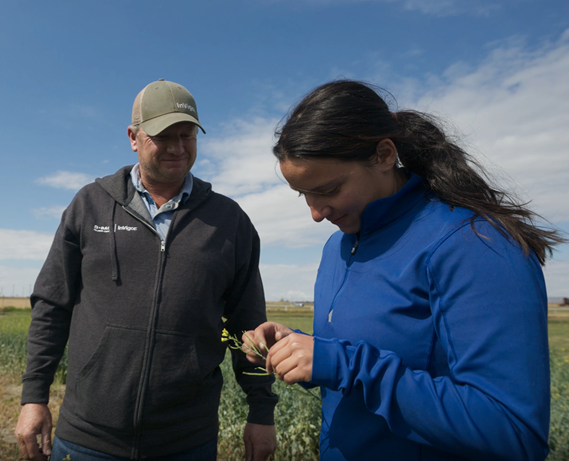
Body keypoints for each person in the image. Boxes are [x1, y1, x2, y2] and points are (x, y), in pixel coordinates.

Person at [244, 80, 565, 461]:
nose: (315, 213)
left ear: (383, 155)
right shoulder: (338, 247)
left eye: (328, 189)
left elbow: (514, 433)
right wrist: (302, 350)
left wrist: (342, 363)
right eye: (304, 194)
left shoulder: (477, 245)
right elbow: (365, 359)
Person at [15, 79, 277, 461]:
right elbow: (52, 305)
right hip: (87, 436)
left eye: (187, 135)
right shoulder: (89, 205)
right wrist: (33, 397)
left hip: (186, 440)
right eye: (162, 135)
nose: (177, 147)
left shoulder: (230, 222)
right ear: (133, 137)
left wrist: (261, 410)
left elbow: (247, 325)